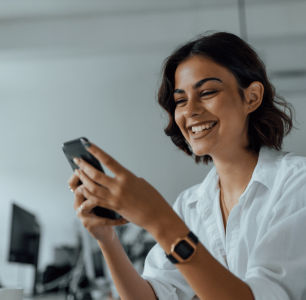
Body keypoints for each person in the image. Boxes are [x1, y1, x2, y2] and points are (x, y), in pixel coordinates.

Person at [67, 32, 306, 300]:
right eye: (180, 100)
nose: (189, 110)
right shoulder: (190, 204)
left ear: (251, 97)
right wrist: (106, 239)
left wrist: (158, 219)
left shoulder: (297, 184)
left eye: (207, 92)